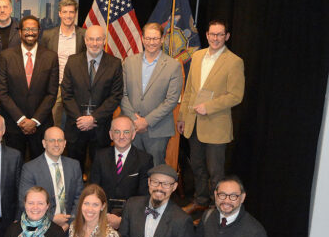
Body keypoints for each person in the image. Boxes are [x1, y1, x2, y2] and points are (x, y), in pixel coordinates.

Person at [177, 20, 245, 215]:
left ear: (227, 37)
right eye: (212, 34)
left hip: (216, 126)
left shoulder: (234, 61)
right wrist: (182, 117)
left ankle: (217, 210)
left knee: (216, 173)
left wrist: (209, 107)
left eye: (220, 35)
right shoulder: (197, 56)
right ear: (206, 35)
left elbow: (236, 95)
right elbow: (189, 89)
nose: (215, 38)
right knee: (197, 167)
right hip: (194, 123)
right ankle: (200, 200)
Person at [0, 15, 59, 159]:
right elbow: (3, 92)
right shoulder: (6, 56)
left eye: (34, 29)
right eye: (27, 29)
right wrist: (21, 120)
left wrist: (35, 121)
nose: (30, 32)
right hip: (14, 125)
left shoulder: (51, 57)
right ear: (20, 32)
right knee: (14, 168)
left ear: (39, 31)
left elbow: (51, 94)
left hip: (41, 124)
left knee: (41, 167)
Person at [120, 23, 183, 166]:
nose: (151, 42)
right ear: (142, 39)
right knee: (130, 170)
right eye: (148, 38)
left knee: (155, 172)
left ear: (162, 40)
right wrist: (134, 120)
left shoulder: (173, 66)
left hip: (157, 130)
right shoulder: (129, 62)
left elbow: (171, 100)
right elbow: (122, 94)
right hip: (130, 127)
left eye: (155, 39)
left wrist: (146, 121)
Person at [61, 25, 123, 167]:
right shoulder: (72, 61)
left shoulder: (115, 64)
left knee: (100, 171)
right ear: (85, 40)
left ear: (104, 41)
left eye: (98, 39)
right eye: (91, 39)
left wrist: (93, 118)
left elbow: (115, 96)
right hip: (76, 126)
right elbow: (66, 94)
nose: (94, 43)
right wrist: (80, 119)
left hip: (100, 128)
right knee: (74, 170)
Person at [89, 115, 154, 229]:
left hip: (131, 218)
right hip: (102, 215)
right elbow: (94, 189)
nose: (121, 136)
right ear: (111, 135)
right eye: (117, 132)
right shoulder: (100, 156)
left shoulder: (145, 159)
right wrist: (105, 216)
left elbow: (144, 196)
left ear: (133, 134)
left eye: (126, 132)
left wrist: (122, 219)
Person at [18, 126, 83, 232]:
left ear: (65, 143)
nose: (56, 144)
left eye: (60, 140)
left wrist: (69, 221)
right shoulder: (30, 168)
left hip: (70, 228)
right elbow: (24, 201)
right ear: (44, 143)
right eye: (52, 140)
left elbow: (79, 197)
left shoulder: (74, 166)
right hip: (41, 227)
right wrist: (51, 219)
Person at [39, 0, 86, 128]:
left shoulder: (84, 35)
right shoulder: (48, 35)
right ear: (59, 13)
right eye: (65, 12)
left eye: (71, 12)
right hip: (56, 86)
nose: (68, 15)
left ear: (75, 13)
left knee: (75, 124)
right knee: (54, 123)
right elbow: (42, 61)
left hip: (76, 87)